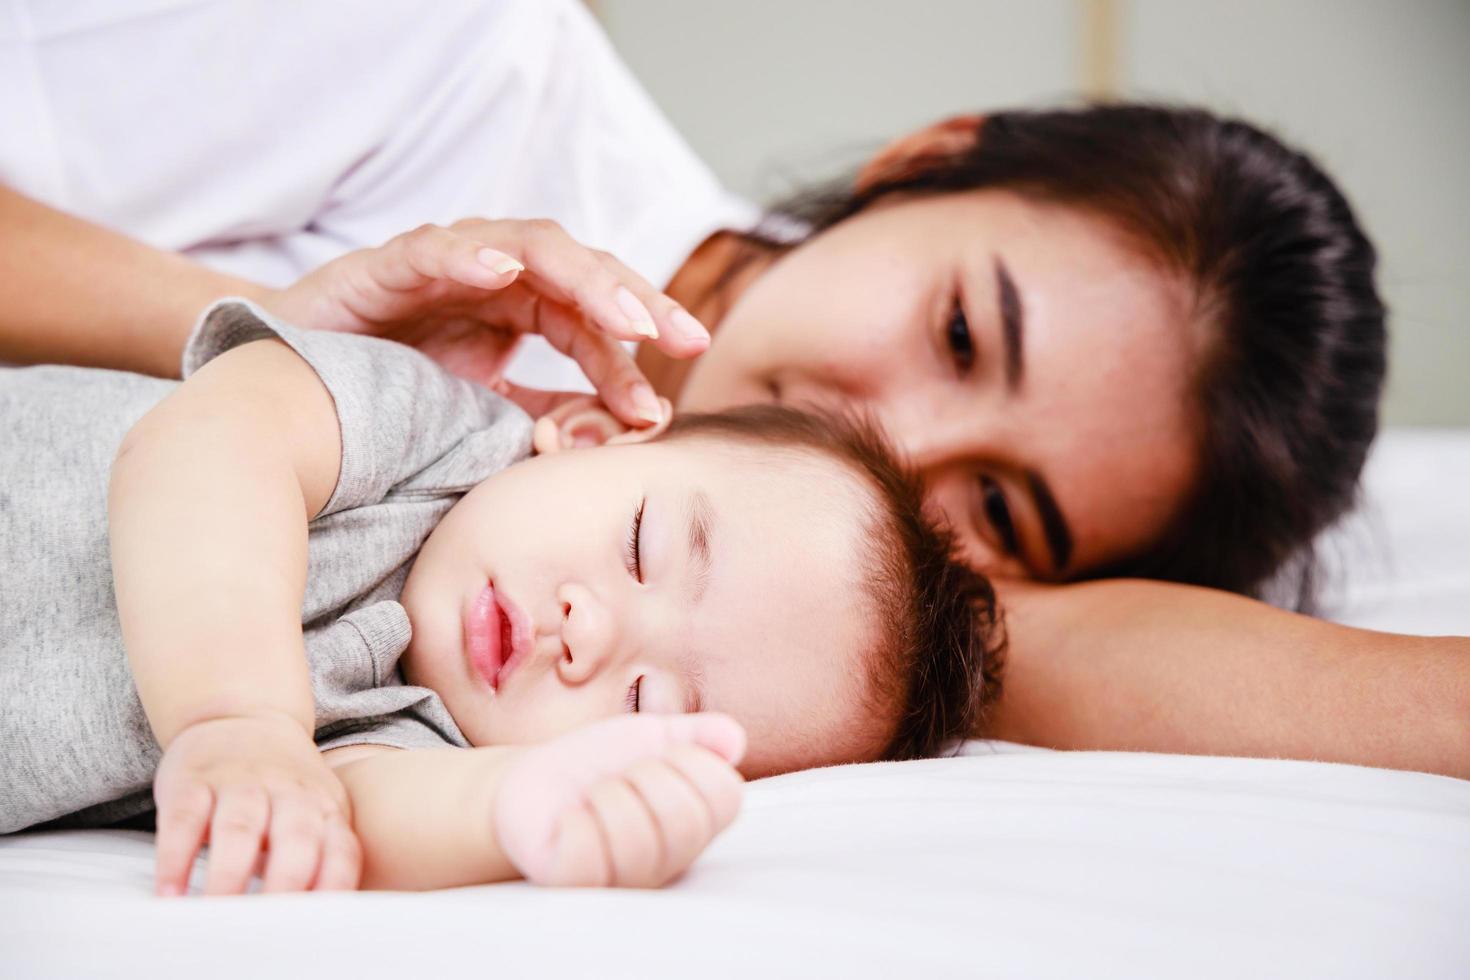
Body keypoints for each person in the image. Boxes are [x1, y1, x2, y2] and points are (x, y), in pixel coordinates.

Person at [1, 0, 1466, 777]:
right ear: (922, 162)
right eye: (960, 333)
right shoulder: (457, 60)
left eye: (1002, 509)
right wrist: (270, 336)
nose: (885, 439)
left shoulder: (819, 621)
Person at [0, 299, 1000, 895]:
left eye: (645, 705)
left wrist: (523, 810)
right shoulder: (428, 430)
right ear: (595, 437)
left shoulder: (439, 732)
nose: (590, 631)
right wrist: (238, 718)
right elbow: (204, 441)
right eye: (643, 546)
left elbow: (361, 816)